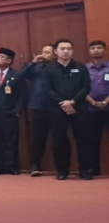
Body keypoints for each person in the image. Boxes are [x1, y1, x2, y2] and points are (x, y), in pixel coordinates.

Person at [44, 39, 91, 180]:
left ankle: (84, 170)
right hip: (57, 109)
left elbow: (86, 87)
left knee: (82, 140)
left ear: (72, 51)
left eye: (68, 49)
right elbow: (47, 89)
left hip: (79, 108)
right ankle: (62, 171)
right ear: (56, 51)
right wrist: (63, 103)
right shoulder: (49, 69)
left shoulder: (81, 67)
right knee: (60, 140)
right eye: (62, 49)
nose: (66, 51)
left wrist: (72, 102)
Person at [17, 45, 54, 176]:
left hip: (56, 106)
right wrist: (33, 63)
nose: (44, 54)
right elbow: (20, 76)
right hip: (39, 106)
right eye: (43, 52)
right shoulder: (37, 67)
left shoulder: (58, 67)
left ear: (55, 54)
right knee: (38, 138)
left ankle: (61, 167)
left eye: (47, 52)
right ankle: (35, 165)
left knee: (59, 137)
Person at [80, 40, 109, 178]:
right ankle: (93, 169)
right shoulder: (84, 69)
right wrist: (93, 102)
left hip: (108, 108)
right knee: (91, 141)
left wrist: (104, 102)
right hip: (90, 109)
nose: (96, 50)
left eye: (99, 48)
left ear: (104, 50)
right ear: (89, 51)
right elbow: (80, 88)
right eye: (93, 48)